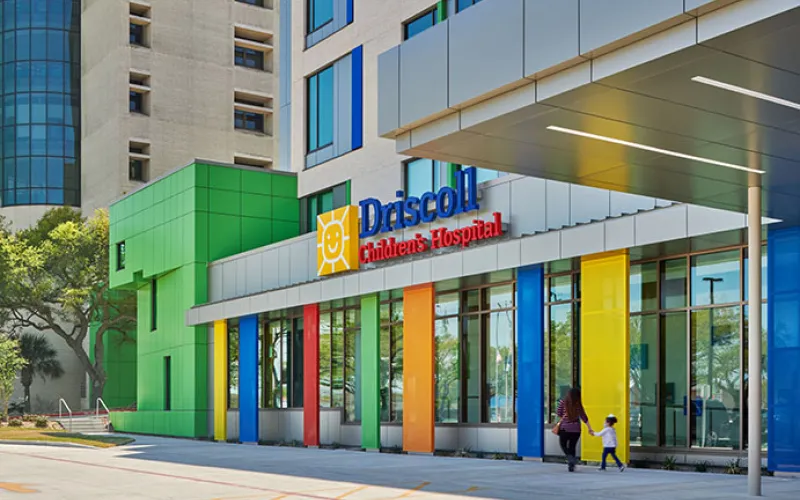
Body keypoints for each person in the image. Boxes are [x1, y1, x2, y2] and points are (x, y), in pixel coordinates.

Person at [556, 388, 593, 472]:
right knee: (572, 446)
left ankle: (570, 458)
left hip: (565, 428)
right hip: (576, 429)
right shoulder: (578, 404)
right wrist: (590, 428)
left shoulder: (563, 402)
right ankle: (571, 466)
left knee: (563, 444)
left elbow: (559, 413)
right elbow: (584, 417)